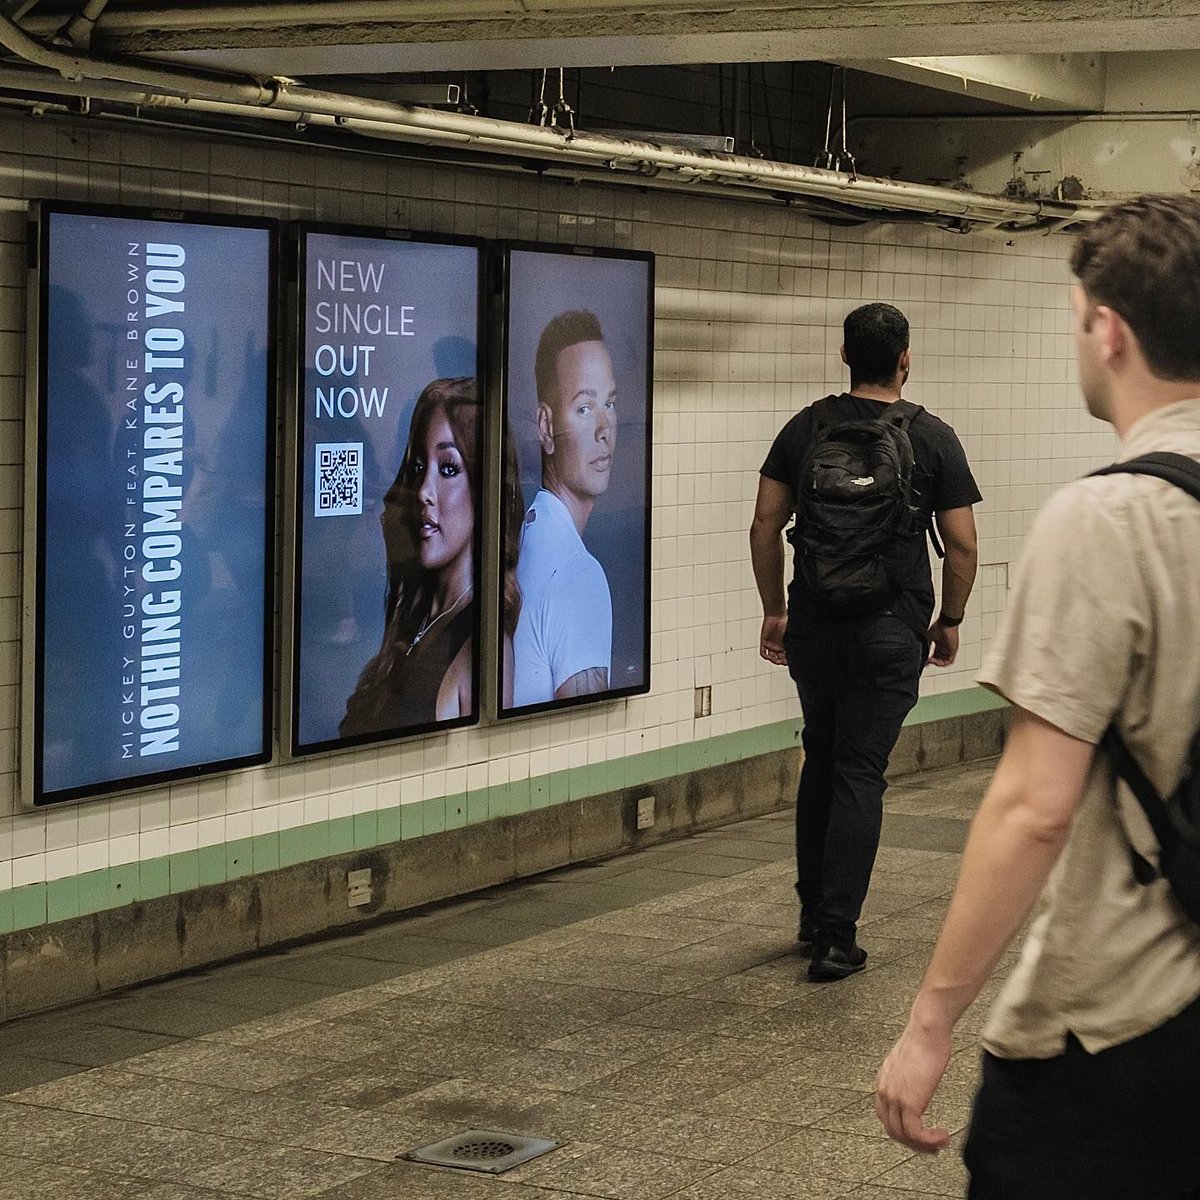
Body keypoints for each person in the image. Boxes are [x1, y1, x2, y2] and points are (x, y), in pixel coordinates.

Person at [875, 195, 1200, 1199]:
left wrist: (931, 1023)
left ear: (1108, 328)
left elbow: (1035, 803)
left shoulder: (1111, 517)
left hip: (1127, 1018)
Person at [750, 302, 981, 982]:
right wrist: (951, 619)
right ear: (906, 358)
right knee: (858, 770)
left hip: (816, 624)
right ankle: (835, 935)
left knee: (821, 755)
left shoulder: (805, 428)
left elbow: (765, 525)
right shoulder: (932, 437)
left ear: (845, 356)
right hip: (890, 628)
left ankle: (809, 914)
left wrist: (773, 610)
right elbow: (962, 546)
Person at [341, 377, 520, 732]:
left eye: (449, 469)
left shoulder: (481, 647)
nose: (424, 491)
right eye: (420, 467)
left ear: (487, 487)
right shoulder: (415, 615)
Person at [511, 309, 616, 706]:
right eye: (585, 408)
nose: (604, 429)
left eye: (610, 403)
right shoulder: (577, 574)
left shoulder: (534, 526)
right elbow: (585, 733)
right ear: (544, 426)